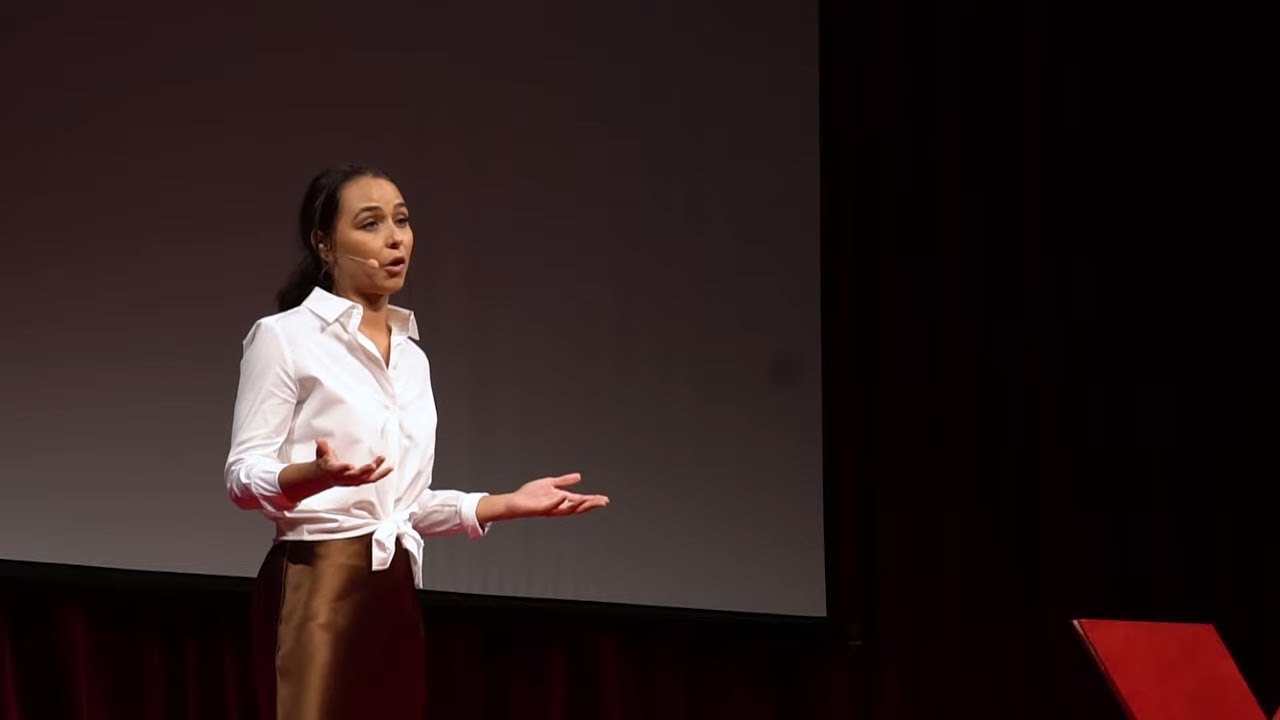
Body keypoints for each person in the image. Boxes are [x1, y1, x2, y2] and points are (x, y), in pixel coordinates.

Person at [224, 163, 609, 719]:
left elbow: (404, 505)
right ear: (324, 244)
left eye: (401, 221)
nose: (395, 237)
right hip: (317, 587)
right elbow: (241, 478)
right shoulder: (284, 338)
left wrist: (507, 504)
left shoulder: (412, 357)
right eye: (371, 223)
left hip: (395, 593)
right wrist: (305, 478)